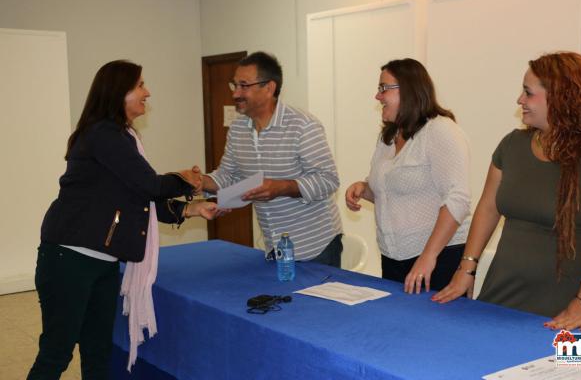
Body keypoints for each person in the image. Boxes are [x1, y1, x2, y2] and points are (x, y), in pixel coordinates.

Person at [28, 60, 221, 379]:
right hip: (69, 260)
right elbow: (149, 185)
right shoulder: (103, 133)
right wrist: (185, 178)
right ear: (119, 92)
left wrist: (191, 209)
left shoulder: (122, 136)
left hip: (102, 262)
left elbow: (137, 199)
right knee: (57, 352)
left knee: (98, 351)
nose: (148, 92)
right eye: (140, 85)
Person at [433, 52, 581, 331]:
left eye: (528, 93)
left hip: (568, 302)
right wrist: (466, 269)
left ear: (560, 97)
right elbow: (488, 208)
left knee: (560, 372)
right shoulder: (511, 145)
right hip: (504, 291)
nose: (519, 100)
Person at [201, 51, 344, 266]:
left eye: (244, 85)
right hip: (274, 246)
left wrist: (282, 187)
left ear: (269, 88)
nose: (235, 93)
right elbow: (228, 175)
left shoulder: (303, 125)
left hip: (316, 248)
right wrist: (199, 182)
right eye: (234, 85)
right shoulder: (238, 128)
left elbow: (328, 180)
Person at [345, 58, 471, 293]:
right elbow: (393, 191)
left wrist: (428, 256)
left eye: (384, 88)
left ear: (410, 89)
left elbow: (458, 199)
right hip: (393, 258)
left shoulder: (440, 130)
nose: (377, 96)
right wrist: (364, 188)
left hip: (438, 258)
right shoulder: (389, 137)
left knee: (432, 329)